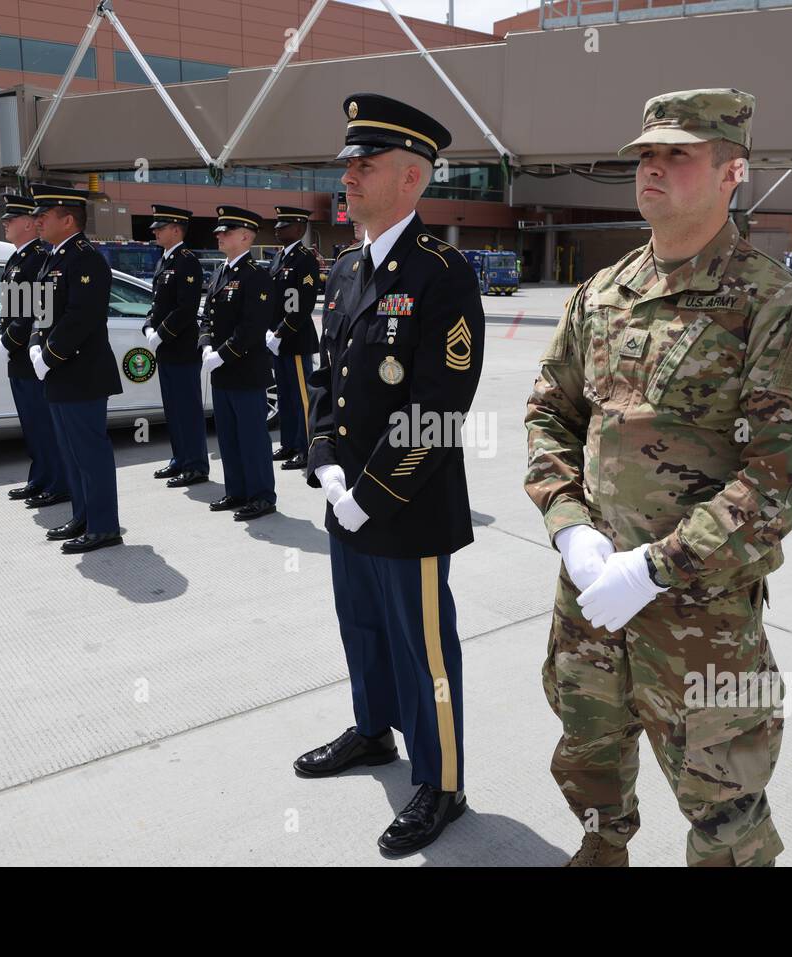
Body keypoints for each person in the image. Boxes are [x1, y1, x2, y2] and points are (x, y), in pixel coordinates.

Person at [524, 89, 792, 867]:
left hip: (703, 624)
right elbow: (549, 415)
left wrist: (654, 567)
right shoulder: (602, 294)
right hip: (592, 600)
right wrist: (569, 526)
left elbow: (777, 481)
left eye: (679, 154)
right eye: (646, 155)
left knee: (726, 810)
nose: (653, 169)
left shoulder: (776, 306)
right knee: (590, 762)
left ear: (734, 171)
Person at [294, 94, 484, 855]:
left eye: (363, 166)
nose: (348, 178)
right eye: (347, 165)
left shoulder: (442, 274)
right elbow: (322, 374)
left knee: (424, 648)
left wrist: (371, 493)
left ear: (411, 179)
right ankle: (374, 731)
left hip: (406, 505)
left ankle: (442, 784)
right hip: (348, 503)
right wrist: (326, 466)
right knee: (361, 627)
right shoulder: (343, 270)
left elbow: (441, 404)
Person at [27, 183, 125, 554]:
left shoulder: (85, 258)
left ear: (68, 219)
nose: (37, 221)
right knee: (70, 450)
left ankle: (104, 526)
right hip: (58, 371)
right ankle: (84, 515)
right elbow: (44, 312)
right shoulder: (53, 257)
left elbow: (80, 318)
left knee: (89, 451)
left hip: (81, 371)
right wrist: (37, 344)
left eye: (44, 215)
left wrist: (48, 354)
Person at [198, 206, 277, 520]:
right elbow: (207, 316)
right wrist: (205, 347)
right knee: (228, 435)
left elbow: (251, 327)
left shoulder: (256, 276)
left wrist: (222, 354)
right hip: (222, 372)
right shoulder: (221, 271)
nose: (219, 235)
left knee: (252, 436)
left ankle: (261, 496)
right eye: (219, 231)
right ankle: (237, 491)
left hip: (245, 370)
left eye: (226, 231)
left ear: (245, 236)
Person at [0, 193, 66, 508]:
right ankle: (40, 478)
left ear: (27, 223)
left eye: (11, 220)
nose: (5, 225)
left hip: (31, 354)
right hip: (17, 357)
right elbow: (9, 307)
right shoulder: (17, 259)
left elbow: (36, 310)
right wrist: (0, 333)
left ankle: (58, 483)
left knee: (44, 423)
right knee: (31, 423)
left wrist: (11, 338)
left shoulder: (37, 258)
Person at [142, 204, 209, 488]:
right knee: (172, 408)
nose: (155, 231)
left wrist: (162, 333)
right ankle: (180, 458)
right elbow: (157, 303)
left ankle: (195, 465)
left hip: (180, 347)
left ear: (176, 229)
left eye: (161, 227)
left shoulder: (186, 260)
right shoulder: (164, 261)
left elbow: (186, 307)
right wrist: (148, 325)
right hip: (167, 349)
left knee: (188, 409)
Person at [263, 206, 321, 471]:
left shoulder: (304, 259)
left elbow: (303, 304)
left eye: (283, 225)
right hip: (277, 340)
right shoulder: (278, 259)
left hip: (295, 340)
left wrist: (280, 332)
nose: (277, 229)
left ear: (299, 228)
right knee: (285, 396)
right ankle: (288, 444)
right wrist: (268, 330)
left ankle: (306, 449)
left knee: (301, 398)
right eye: (277, 224)